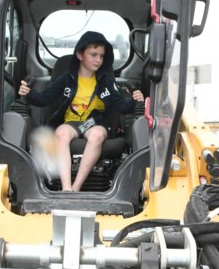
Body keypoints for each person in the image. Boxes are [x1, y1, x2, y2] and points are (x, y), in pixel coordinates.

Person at [18, 31, 144, 192]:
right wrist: (28, 93)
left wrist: (135, 99)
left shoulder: (106, 81)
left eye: (101, 56)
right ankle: (66, 188)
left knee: (96, 135)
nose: (98, 60)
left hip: (96, 123)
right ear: (79, 54)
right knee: (61, 133)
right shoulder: (66, 79)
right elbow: (44, 99)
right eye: (93, 55)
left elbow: (122, 106)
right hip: (72, 122)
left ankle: (76, 187)